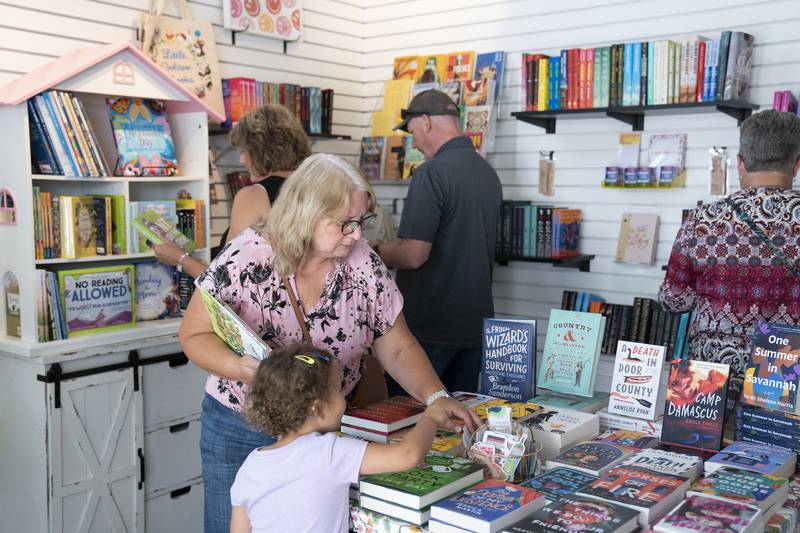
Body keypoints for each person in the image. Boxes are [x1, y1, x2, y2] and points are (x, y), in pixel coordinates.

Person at [179, 153, 481, 533]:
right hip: (241, 423)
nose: (357, 234)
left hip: (322, 427)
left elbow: (397, 344)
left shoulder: (362, 261)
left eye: (362, 221)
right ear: (306, 213)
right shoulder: (245, 257)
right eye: (345, 224)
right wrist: (244, 368)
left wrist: (436, 397)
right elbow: (194, 335)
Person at [229, 342, 451, 533]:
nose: (344, 396)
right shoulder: (329, 451)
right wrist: (431, 417)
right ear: (317, 408)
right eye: (337, 390)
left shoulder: (250, 466)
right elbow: (407, 455)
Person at [659, 109, 800, 410]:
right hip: (786, 383)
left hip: (705, 385)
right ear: (796, 165)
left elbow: (674, 300)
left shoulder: (702, 220)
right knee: (782, 457)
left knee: (695, 454)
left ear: (740, 164)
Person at [373, 89, 503, 394]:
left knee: (407, 424)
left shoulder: (430, 175)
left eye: (413, 131)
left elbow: (414, 254)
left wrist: (377, 252)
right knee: (457, 428)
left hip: (429, 329)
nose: (414, 142)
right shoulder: (488, 174)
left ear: (426, 121)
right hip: (474, 327)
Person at [151, 104, 311, 278]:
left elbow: (225, 281)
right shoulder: (314, 187)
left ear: (262, 151)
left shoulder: (255, 196)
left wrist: (180, 258)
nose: (242, 160)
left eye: (244, 151)